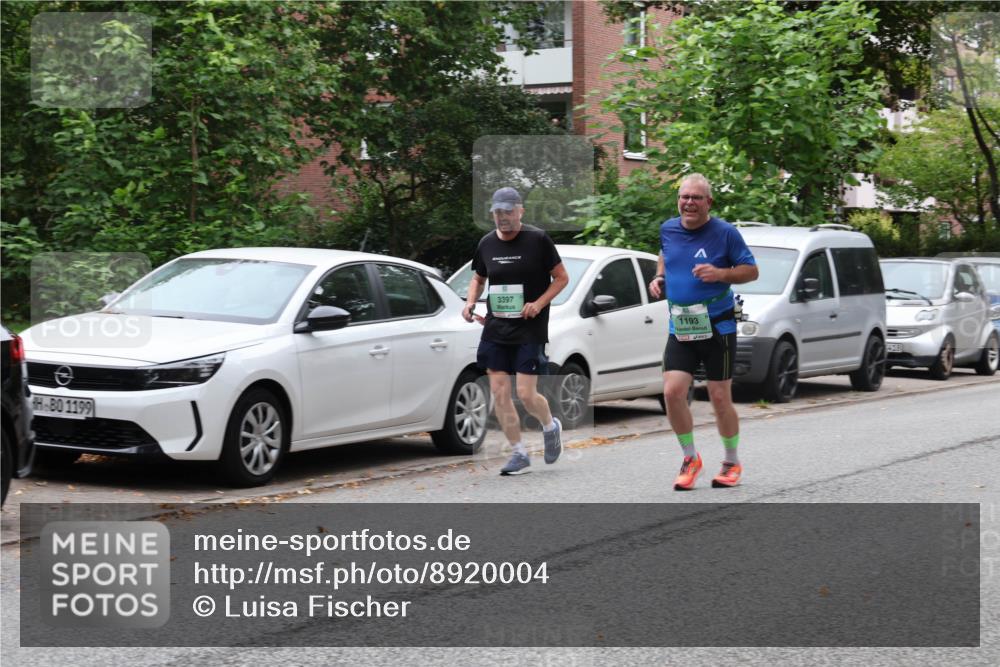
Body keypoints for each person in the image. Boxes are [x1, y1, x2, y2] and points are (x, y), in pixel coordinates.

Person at [648, 174, 759, 490]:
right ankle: (690, 457)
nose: (689, 203)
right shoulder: (668, 228)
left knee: (720, 396)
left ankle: (731, 460)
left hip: (717, 325)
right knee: (671, 392)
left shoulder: (725, 234)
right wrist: (660, 277)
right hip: (681, 324)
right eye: (684, 197)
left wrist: (720, 273)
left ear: (708, 202)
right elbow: (666, 254)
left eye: (696, 198)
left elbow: (751, 271)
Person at [463, 187, 570, 475]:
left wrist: (538, 303)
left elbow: (561, 278)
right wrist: (471, 302)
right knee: (499, 391)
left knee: (525, 393)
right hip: (496, 328)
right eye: (498, 212)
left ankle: (550, 426)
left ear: (520, 211)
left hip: (529, 328)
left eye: (508, 211)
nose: (503, 217)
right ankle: (519, 453)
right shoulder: (486, 244)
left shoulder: (537, 240)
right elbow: (478, 278)